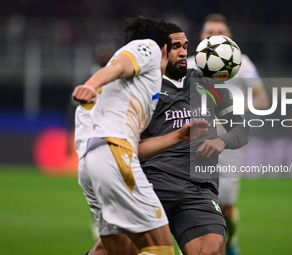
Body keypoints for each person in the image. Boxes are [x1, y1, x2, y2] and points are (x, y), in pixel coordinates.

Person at [86, 21, 250, 255]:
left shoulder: (209, 84)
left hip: (199, 189)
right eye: (176, 47)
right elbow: (128, 147)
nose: (184, 52)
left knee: (212, 250)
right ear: (161, 50)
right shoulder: (140, 90)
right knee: (111, 251)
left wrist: (221, 141)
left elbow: (241, 129)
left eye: (185, 45)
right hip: (150, 185)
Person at [73, 16, 176, 255]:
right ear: (164, 49)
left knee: (117, 252)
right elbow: (119, 66)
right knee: (160, 249)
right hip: (114, 154)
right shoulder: (149, 47)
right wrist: (90, 84)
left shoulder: (125, 89)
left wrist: (179, 136)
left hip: (91, 164)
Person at [187, 13, 270, 255]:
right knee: (193, 204)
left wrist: (228, 114)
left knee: (225, 206)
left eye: (219, 32)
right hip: (194, 145)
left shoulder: (243, 63)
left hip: (227, 145)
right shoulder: (189, 64)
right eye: (209, 32)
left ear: (230, 38)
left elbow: (262, 99)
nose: (214, 36)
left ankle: (231, 241)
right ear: (202, 37)